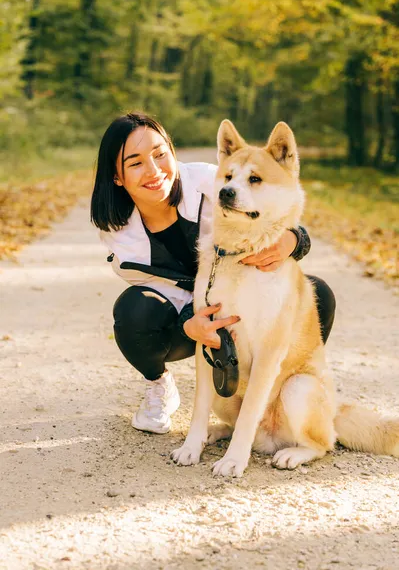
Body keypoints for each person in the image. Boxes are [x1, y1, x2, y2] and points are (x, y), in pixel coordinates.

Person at [91, 112, 336, 434]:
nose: (154, 170)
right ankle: (159, 385)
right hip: (192, 321)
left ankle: (281, 383)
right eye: (135, 163)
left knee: (316, 294)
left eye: (160, 154)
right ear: (117, 176)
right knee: (135, 309)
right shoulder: (120, 233)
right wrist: (190, 324)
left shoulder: (215, 181)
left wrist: (294, 239)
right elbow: (163, 291)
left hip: (245, 296)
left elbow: (278, 208)